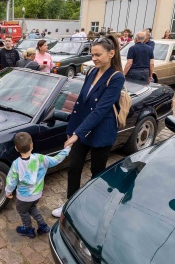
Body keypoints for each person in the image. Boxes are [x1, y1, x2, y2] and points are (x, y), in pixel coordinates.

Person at [52, 34, 125, 218]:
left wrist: (78, 133)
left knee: (97, 173)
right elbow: (81, 104)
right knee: (74, 167)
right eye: (92, 54)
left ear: (111, 53)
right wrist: (72, 131)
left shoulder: (116, 78)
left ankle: (93, 205)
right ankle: (70, 204)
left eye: (98, 55)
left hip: (101, 131)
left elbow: (101, 109)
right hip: (82, 129)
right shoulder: (92, 72)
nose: (94, 58)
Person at [5, 132, 71, 238]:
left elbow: (11, 181)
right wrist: (67, 149)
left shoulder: (16, 164)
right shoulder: (40, 159)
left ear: (16, 148)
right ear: (32, 145)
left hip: (23, 197)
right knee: (33, 208)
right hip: (37, 193)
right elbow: (56, 159)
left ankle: (28, 229)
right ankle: (43, 225)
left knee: (23, 211)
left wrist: (8, 192)